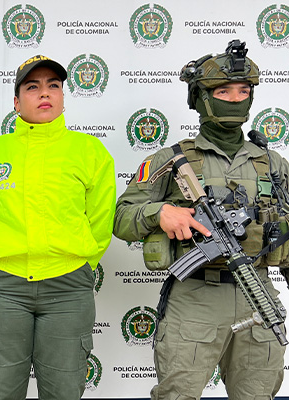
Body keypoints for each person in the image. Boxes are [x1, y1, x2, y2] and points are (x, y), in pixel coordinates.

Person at [114, 40, 287, 399]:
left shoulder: (273, 164)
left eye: (243, 91)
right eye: (223, 91)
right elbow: (122, 217)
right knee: (178, 394)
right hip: (195, 299)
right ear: (201, 98)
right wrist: (160, 212)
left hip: (258, 292)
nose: (235, 99)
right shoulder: (171, 159)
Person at [0, 54, 115, 399]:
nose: (44, 93)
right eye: (32, 87)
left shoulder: (90, 151)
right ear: (17, 103)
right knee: (2, 391)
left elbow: (100, 221)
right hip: (4, 288)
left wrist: (76, 265)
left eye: (53, 86)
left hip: (68, 289)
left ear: (62, 97)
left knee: (64, 392)